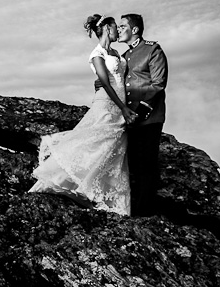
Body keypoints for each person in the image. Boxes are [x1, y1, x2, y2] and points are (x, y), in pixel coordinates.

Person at [29, 14, 136, 214]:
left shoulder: (115, 52)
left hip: (119, 103)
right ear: (106, 28)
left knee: (112, 150)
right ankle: (68, 181)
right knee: (95, 142)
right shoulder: (97, 54)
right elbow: (105, 81)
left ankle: (106, 196)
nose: (117, 31)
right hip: (107, 104)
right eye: (115, 27)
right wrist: (122, 107)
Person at [115, 14, 168, 216]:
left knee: (147, 164)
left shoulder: (152, 49)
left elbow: (158, 84)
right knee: (133, 164)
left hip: (149, 117)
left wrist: (141, 111)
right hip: (130, 118)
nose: (119, 30)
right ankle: (135, 207)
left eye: (122, 26)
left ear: (134, 30)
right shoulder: (126, 55)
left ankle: (145, 212)